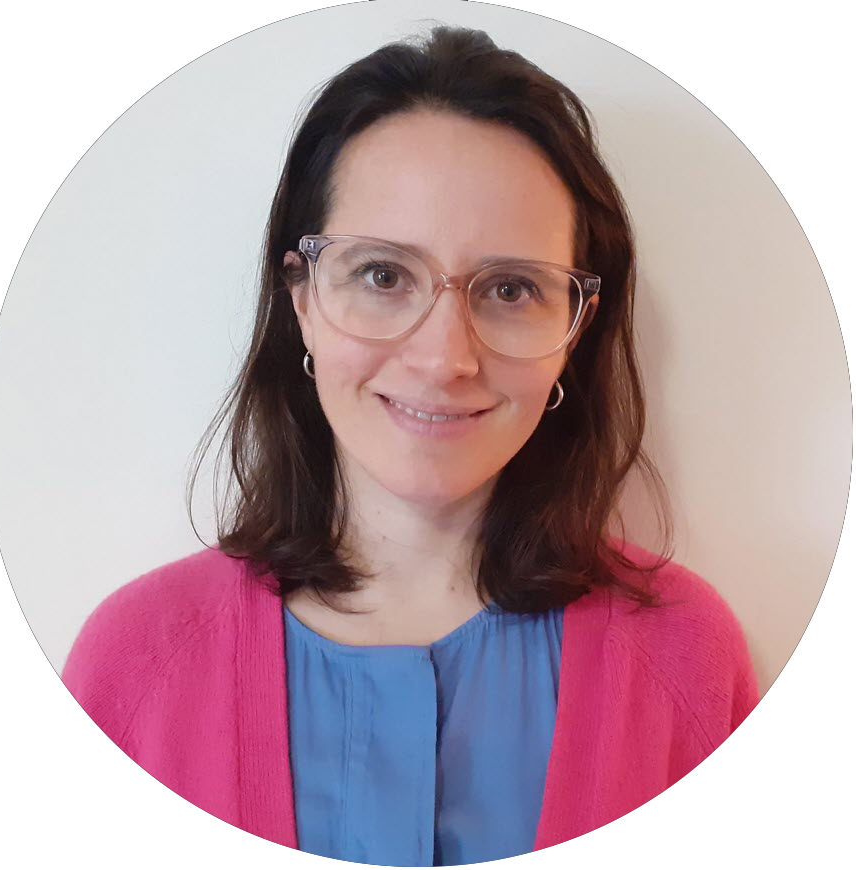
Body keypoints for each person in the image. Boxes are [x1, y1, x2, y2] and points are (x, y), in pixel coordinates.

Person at [62, 24, 759, 866]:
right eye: (383, 275)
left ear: (576, 331)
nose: (443, 359)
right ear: (301, 299)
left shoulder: (686, 660)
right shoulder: (135, 667)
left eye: (511, 288)